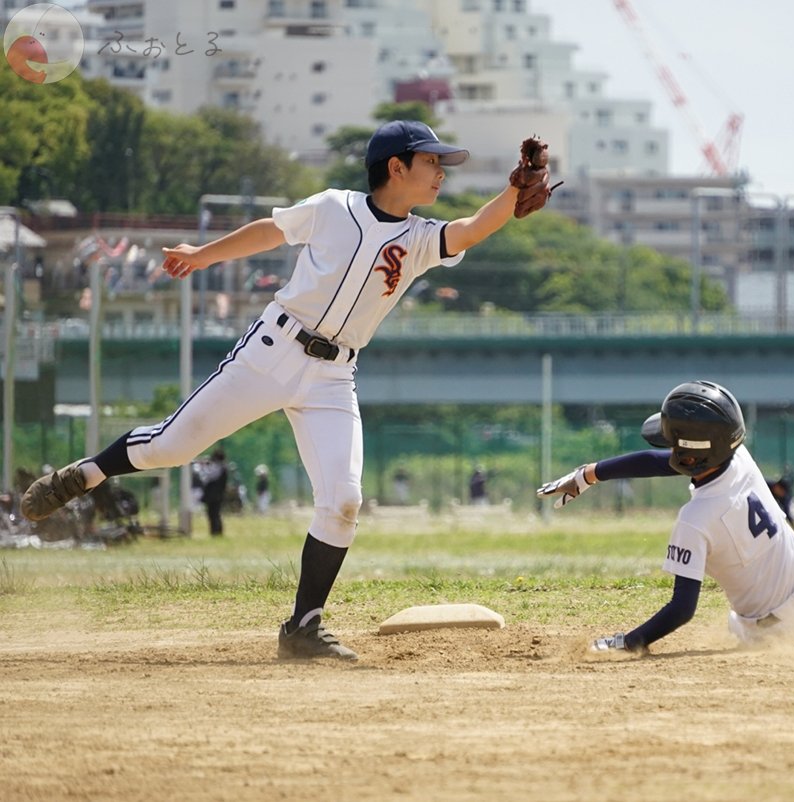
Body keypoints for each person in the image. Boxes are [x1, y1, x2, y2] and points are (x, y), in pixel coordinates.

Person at [20, 119, 555, 661]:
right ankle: (83, 474)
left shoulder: (417, 240)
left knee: (344, 500)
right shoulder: (333, 207)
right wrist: (203, 255)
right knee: (172, 447)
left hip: (333, 377)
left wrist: (515, 190)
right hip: (272, 351)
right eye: (431, 161)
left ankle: (303, 626)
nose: (441, 171)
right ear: (397, 167)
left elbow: (471, 227)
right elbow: (270, 231)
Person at [536, 380, 794, 655]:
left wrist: (627, 642)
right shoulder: (739, 458)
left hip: (777, 629)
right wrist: (590, 474)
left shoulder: (696, 519)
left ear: (689, 455)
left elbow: (682, 609)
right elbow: (669, 460)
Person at [200, 449, 229, 536]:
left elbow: (208, 477)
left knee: (213, 514)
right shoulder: (223, 467)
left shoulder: (219, 467)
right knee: (215, 514)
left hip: (213, 495)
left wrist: (203, 466)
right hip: (218, 494)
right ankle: (217, 531)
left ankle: (215, 531)